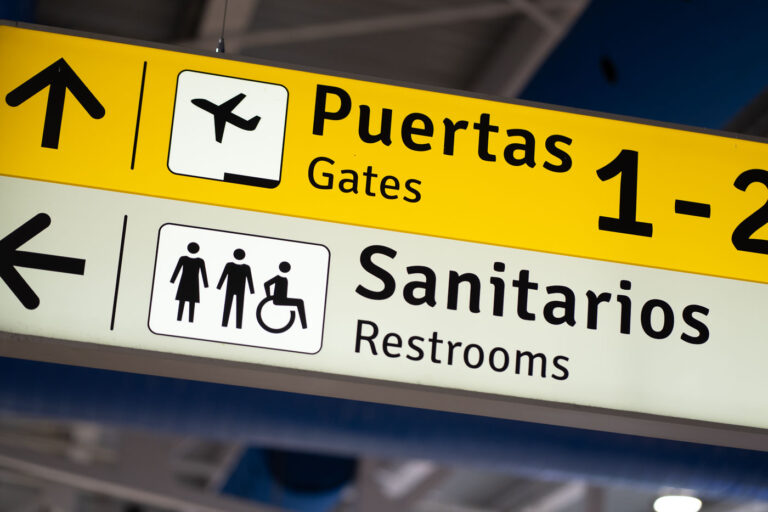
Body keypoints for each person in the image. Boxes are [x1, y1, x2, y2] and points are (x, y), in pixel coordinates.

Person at [170, 242, 208, 322]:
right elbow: (177, 269)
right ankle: (180, 319)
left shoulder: (196, 260)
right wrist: (205, 284)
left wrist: (173, 280)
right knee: (186, 302)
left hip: (188, 282)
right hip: (189, 283)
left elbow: (203, 273)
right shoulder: (197, 261)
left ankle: (188, 320)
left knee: (187, 302)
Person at [217, 248, 254, 328]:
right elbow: (224, 275)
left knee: (235, 306)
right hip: (236, 288)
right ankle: (227, 324)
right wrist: (219, 286)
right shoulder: (243, 267)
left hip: (235, 288)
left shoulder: (233, 266)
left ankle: (234, 325)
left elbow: (249, 279)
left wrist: (219, 286)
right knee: (231, 306)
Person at [263, 261, 307, 329]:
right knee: (300, 302)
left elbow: (266, 284)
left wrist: (269, 297)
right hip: (279, 300)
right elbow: (266, 284)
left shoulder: (284, 279)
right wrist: (268, 297)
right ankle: (304, 326)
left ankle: (304, 326)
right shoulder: (278, 278)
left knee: (300, 302)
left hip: (282, 299)